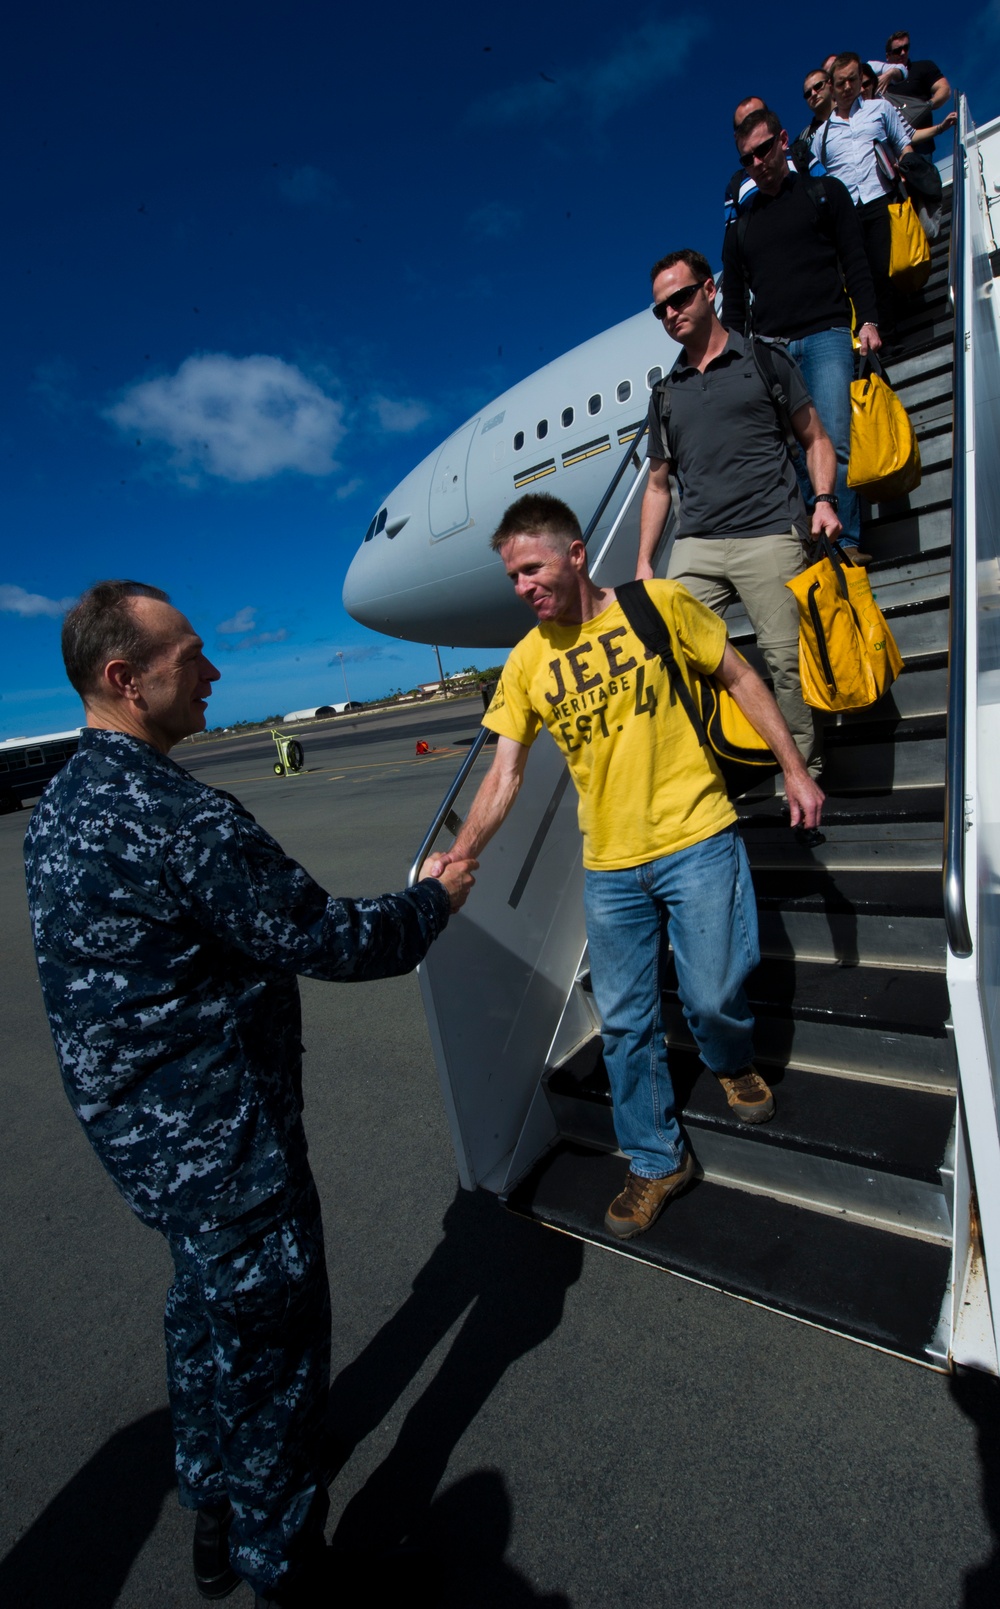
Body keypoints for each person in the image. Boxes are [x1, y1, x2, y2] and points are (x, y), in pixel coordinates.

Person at [22, 581, 476, 1608]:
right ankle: (284, 1562)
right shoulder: (176, 814)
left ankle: (212, 1501)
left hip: (141, 1141)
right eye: (191, 654)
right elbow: (332, 939)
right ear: (124, 678)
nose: (216, 671)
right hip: (225, 1143)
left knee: (200, 1309)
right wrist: (435, 896)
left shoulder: (62, 804)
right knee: (272, 1350)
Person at [424, 493, 823, 1241]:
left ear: (576, 553)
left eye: (532, 568)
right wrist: (463, 852)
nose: (522, 587)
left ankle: (730, 1057)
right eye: (512, 576)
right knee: (627, 1025)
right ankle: (655, 1158)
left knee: (710, 996)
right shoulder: (526, 662)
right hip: (609, 867)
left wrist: (794, 769)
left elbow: (739, 676)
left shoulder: (658, 605)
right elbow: (504, 773)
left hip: (699, 835)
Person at [637, 248, 841, 775]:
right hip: (697, 544)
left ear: (709, 291)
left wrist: (823, 501)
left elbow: (816, 439)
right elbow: (658, 487)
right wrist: (644, 564)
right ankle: (712, 767)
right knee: (665, 656)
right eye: (660, 308)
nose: (670, 313)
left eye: (679, 298)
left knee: (788, 663)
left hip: (769, 533)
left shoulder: (764, 360)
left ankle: (804, 773)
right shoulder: (665, 395)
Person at [722, 107, 881, 562]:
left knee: (833, 438)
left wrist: (867, 320)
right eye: (747, 158)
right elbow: (734, 303)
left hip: (827, 332)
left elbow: (855, 260)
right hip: (771, 348)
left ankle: (845, 542)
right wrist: (733, 363)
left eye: (763, 149)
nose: (757, 162)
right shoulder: (741, 227)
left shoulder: (823, 193)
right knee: (792, 454)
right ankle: (813, 545)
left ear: (784, 140)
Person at [813, 52, 914, 336]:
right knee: (858, 274)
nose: (847, 87)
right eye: (841, 82)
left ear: (860, 80)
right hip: (844, 212)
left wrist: (909, 175)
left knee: (882, 269)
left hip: (879, 197)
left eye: (852, 80)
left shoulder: (880, 110)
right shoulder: (822, 134)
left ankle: (891, 334)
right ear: (832, 86)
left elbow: (904, 145)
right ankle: (867, 337)